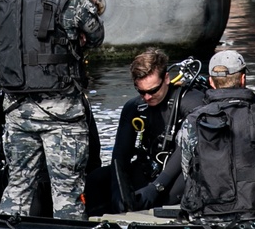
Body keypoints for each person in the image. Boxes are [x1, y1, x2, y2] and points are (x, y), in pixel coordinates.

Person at [0, 0, 104, 220]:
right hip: (63, 114)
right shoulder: (71, 0)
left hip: (17, 111)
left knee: (16, 189)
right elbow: (96, 35)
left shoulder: (3, 2)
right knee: (66, 194)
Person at [84, 48, 206, 216]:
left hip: (180, 171)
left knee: (170, 196)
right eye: (141, 92)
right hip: (148, 167)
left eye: (153, 90)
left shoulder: (191, 101)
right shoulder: (134, 107)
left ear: (167, 79)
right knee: (96, 180)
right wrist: (118, 189)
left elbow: (187, 148)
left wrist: (156, 187)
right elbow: (121, 154)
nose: (147, 97)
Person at [178, 50, 255, 221]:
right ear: (243, 79)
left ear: (211, 82)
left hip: (206, 214)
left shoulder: (193, 120)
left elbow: (187, 170)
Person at [0, 98, 102, 215]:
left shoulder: (71, 103)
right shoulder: (14, 103)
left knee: (36, 200)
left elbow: (94, 154)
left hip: (50, 183)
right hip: (15, 178)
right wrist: (4, 106)